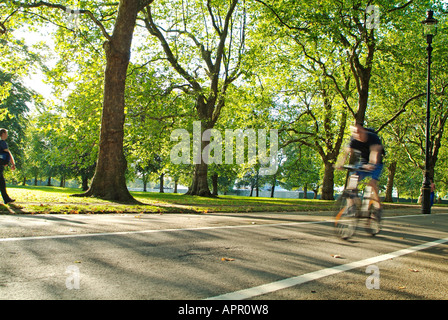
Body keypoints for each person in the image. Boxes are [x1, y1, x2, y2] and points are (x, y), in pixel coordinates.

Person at [336, 122, 384, 214]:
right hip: (363, 162)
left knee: (372, 184)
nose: (357, 134)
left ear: (363, 130)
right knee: (352, 179)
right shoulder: (353, 140)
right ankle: (351, 206)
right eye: (355, 132)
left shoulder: (373, 137)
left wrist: (371, 164)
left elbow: (375, 153)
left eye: (359, 132)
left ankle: (378, 208)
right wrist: (340, 164)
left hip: (377, 163)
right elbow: (345, 153)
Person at [0, 128, 16, 204]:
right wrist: (12, 163)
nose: (7, 135)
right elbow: (8, 153)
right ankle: (6, 199)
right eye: (6, 133)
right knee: (2, 183)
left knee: (2, 183)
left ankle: (6, 199)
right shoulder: (2, 142)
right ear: (2, 134)